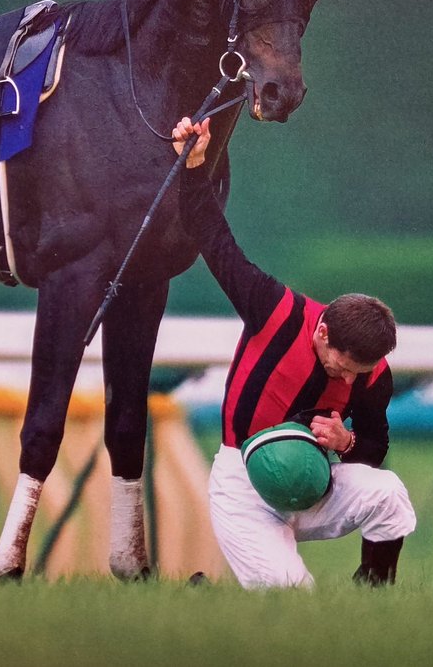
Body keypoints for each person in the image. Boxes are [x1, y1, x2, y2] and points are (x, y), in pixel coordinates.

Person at [172, 115, 415, 589]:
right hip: (244, 482)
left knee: (390, 496)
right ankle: (204, 600)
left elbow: (375, 445)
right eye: (342, 367)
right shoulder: (271, 309)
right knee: (293, 597)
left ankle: (374, 598)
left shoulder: (371, 373)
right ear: (323, 333)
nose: (347, 382)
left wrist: (347, 445)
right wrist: (194, 167)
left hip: (313, 481)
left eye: (358, 373)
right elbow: (213, 240)